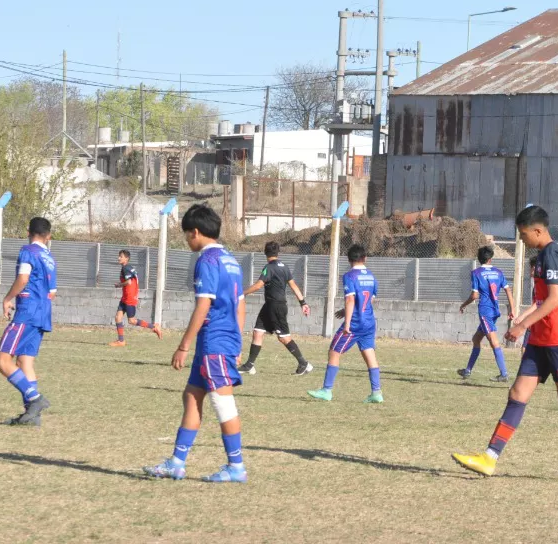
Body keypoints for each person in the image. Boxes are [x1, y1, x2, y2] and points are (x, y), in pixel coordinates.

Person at [452, 205, 558, 483]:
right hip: (542, 338)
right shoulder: (544, 256)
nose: (522, 240)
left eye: (523, 235)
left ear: (538, 230)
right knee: (518, 393)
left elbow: (557, 300)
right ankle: (489, 458)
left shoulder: (552, 254)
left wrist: (523, 325)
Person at [143, 204, 249, 482]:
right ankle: (176, 463)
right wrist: (236, 342)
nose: (187, 239)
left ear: (196, 232)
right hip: (220, 341)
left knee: (223, 403)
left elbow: (203, 305)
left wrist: (183, 345)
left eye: (187, 234)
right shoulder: (230, 260)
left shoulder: (207, 260)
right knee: (192, 396)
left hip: (214, 340)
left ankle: (236, 467)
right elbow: (240, 304)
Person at [0, 217, 57, 426]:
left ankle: (35, 399)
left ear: (28, 232)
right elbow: (53, 292)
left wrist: (8, 298)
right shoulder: (49, 258)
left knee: (2, 361)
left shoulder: (28, 251)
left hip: (27, 313)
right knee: (25, 361)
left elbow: (23, 279)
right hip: (42, 314)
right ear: (48, 237)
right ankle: (32, 417)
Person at [308, 244, 383, 404]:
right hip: (369, 322)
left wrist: (347, 323)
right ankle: (376, 393)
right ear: (365, 258)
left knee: (334, 351)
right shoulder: (371, 276)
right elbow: (370, 299)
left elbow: (350, 299)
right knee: (369, 354)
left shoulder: (349, 276)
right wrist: (345, 310)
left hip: (355, 323)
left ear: (349, 260)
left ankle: (326, 390)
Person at [239, 241, 313, 375]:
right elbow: (294, 286)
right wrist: (303, 303)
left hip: (276, 306)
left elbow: (258, 285)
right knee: (258, 332)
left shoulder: (269, 267)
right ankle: (250, 365)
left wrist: (241, 293)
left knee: (283, 338)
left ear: (265, 253)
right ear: (277, 252)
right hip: (269, 305)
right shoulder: (284, 267)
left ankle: (304, 363)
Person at [457, 245, 515, 381]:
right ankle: (467, 371)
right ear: (490, 259)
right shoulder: (499, 272)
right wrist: (512, 309)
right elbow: (508, 290)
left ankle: (504, 374)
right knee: (476, 339)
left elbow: (474, 296)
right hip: (495, 310)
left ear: (479, 259)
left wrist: (463, 305)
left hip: (485, 311)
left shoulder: (476, 273)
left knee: (493, 341)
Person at [110, 249, 162, 345]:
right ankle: (121, 341)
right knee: (118, 317)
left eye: (121, 256)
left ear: (126, 258)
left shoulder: (126, 268)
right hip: (125, 297)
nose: (118, 258)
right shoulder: (129, 268)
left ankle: (154, 326)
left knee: (132, 321)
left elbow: (128, 282)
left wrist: (119, 285)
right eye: (119, 256)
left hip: (130, 298)